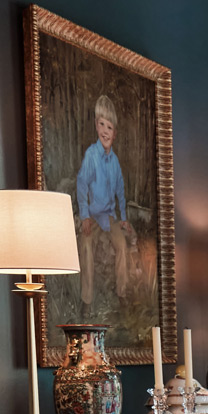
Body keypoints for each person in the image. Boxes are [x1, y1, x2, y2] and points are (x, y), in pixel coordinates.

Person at [75, 93, 137, 307]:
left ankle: (122, 294)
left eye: (109, 127)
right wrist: (84, 216)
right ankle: (87, 299)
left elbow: (120, 189)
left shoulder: (115, 162)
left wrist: (124, 218)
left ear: (115, 133)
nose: (104, 131)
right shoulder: (91, 156)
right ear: (96, 125)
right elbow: (82, 184)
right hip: (92, 214)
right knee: (86, 245)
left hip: (109, 217)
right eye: (101, 124)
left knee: (121, 245)